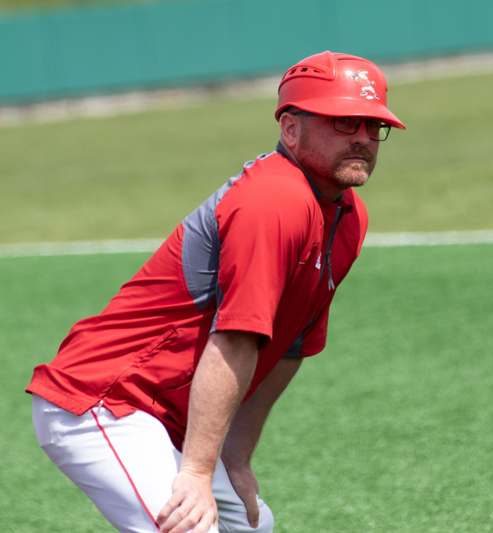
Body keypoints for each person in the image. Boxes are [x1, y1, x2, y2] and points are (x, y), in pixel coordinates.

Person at [26, 50, 405, 533]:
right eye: (344, 122)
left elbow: (290, 346)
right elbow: (235, 339)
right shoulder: (273, 200)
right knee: (190, 528)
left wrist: (235, 459)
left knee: (251, 526)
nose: (363, 140)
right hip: (105, 401)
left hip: (166, 413)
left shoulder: (348, 216)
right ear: (291, 128)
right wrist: (199, 471)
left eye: (374, 127)